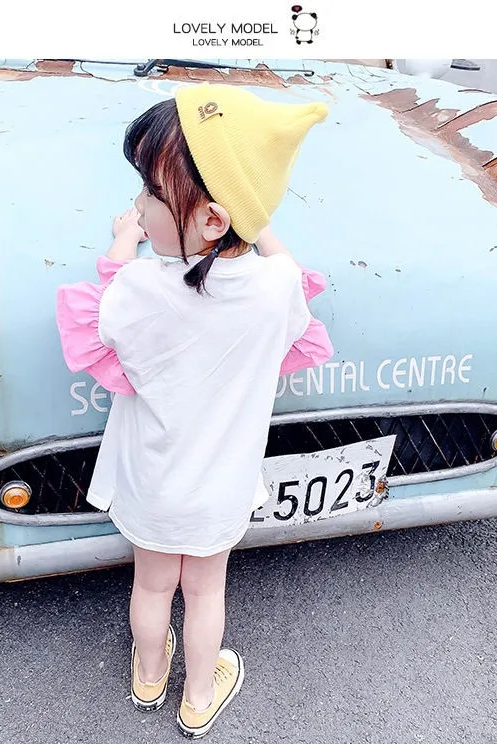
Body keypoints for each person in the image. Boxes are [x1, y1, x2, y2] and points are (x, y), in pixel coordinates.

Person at [56, 82, 333, 739]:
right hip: (221, 488)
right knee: (207, 592)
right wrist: (258, 224)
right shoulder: (275, 290)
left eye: (152, 194)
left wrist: (122, 242)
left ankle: (150, 675)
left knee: (151, 587)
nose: (139, 206)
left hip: (152, 483)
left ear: (210, 219)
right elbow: (288, 273)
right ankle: (200, 696)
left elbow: (107, 299)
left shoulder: (140, 287)